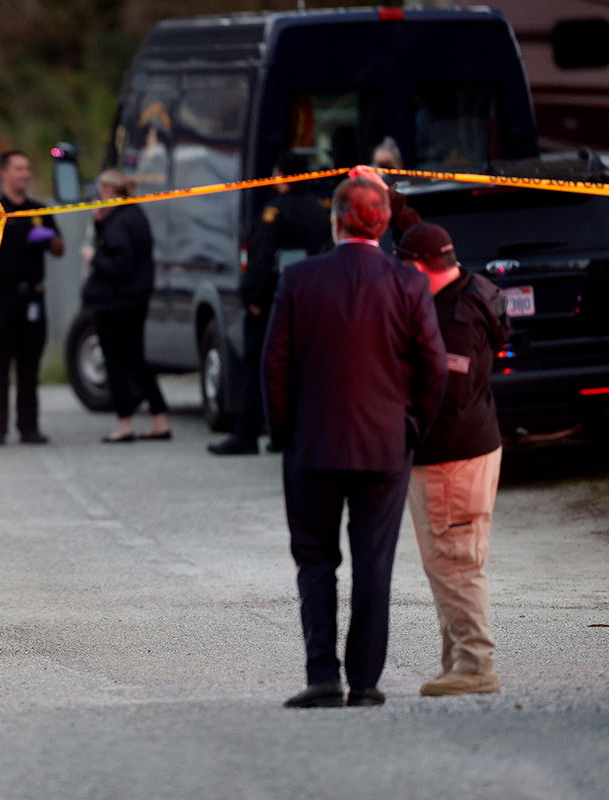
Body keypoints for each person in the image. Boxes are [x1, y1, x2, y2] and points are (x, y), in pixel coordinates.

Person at [263, 176, 447, 709]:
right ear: (384, 222)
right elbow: (433, 368)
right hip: (385, 444)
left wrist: (283, 434)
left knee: (316, 561)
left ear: (336, 219)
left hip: (313, 444)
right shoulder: (408, 283)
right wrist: (413, 426)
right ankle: (364, 681)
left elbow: (273, 365)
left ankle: (323, 674)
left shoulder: (299, 279)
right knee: (374, 561)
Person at [396, 222, 510, 697]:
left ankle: (476, 665)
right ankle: (457, 662)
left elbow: (447, 397)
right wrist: (384, 190)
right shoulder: (471, 287)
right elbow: (416, 228)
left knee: (456, 562)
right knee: (451, 560)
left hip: (451, 458)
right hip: (469, 449)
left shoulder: (457, 318)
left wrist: (402, 433)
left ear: (420, 268)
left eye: (404, 267)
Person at [210, 152, 330, 456]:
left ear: (281, 176)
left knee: (259, 367)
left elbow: (262, 258)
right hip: (310, 301)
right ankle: (289, 432)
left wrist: (254, 298)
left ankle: (247, 434)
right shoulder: (319, 211)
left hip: (274, 300)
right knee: (300, 369)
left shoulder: (275, 212)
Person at [0, 150, 65, 446]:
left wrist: (48, 238)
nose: (24, 174)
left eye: (27, 169)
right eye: (18, 169)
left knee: (29, 367)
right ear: (4, 172)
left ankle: (29, 427)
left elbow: (59, 248)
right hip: (0, 298)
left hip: (32, 300)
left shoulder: (38, 211)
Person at [81, 169, 170, 443]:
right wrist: (99, 224)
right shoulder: (135, 214)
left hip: (114, 301)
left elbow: (120, 263)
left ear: (109, 191)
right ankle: (159, 418)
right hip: (135, 299)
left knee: (116, 362)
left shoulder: (119, 220)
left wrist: (94, 257)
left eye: (100, 191)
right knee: (136, 359)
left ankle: (124, 423)